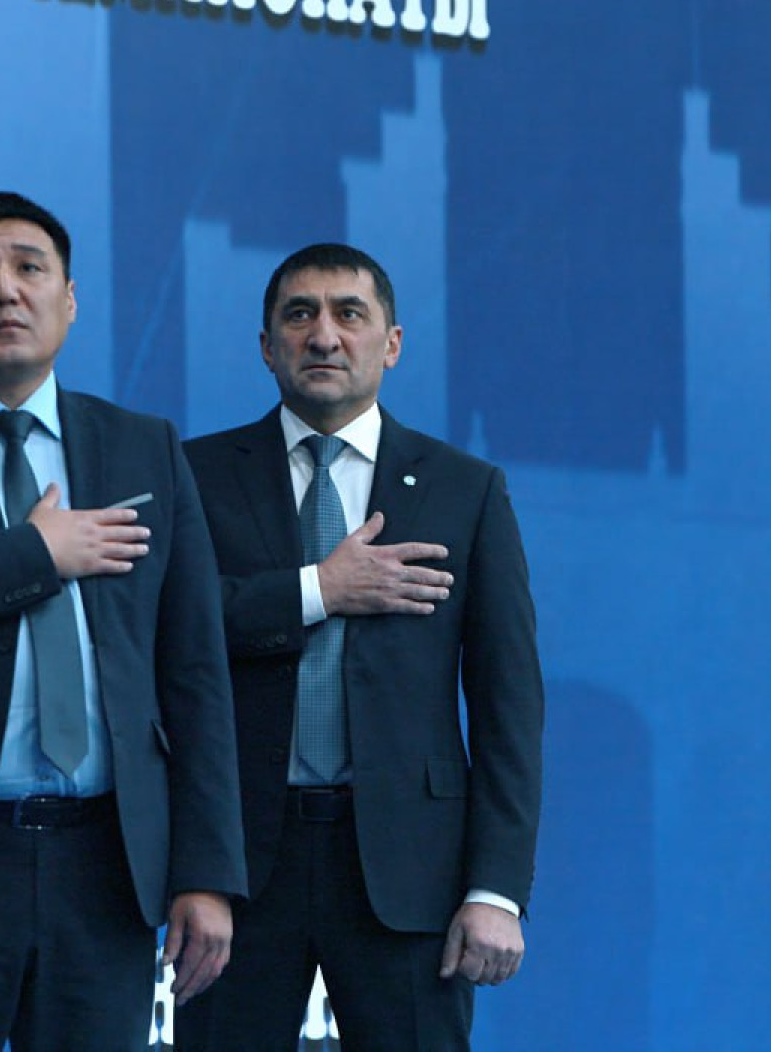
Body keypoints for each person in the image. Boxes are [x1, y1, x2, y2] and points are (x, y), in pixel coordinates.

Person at [0, 191, 246, 1051]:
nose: (6, 289)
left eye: (29, 268)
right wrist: (32, 555)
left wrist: (206, 871)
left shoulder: (144, 445)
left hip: (106, 864)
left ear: (69, 300)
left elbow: (193, 670)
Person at [178, 243, 544, 1050]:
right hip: (237, 868)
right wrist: (320, 589)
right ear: (266, 345)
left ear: (392, 342)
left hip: (409, 871)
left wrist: (496, 888)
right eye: (299, 315)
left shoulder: (463, 488)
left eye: (350, 313)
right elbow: (175, 635)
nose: (324, 334)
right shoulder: (196, 475)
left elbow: (508, 704)